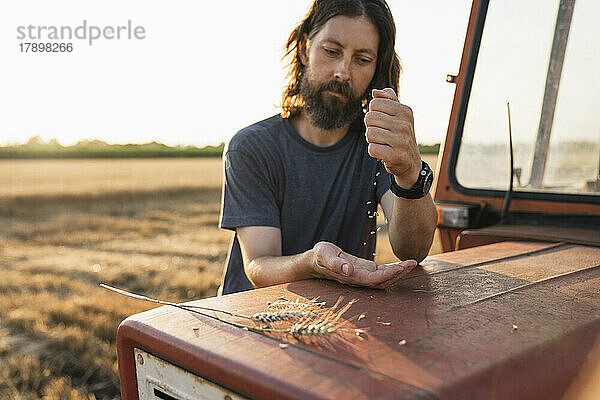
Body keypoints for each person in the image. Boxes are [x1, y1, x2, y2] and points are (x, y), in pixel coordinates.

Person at [218, 0, 437, 295]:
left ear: (375, 70)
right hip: (251, 322)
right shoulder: (251, 146)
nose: (343, 73)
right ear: (304, 49)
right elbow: (259, 264)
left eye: (362, 59)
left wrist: (409, 173)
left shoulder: (375, 146)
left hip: (341, 319)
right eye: (332, 52)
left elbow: (412, 249)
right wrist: (312, 263)